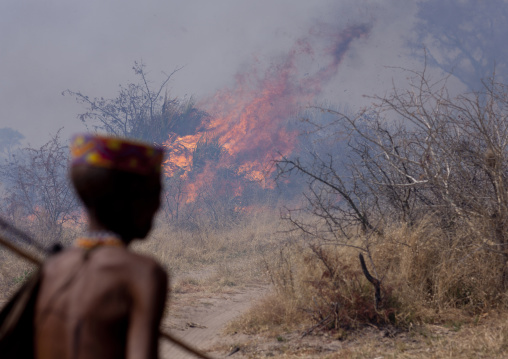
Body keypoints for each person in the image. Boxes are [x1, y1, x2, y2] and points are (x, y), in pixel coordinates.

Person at [34, 134, 168, 359]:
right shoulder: (141, 273)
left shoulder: (52, 268)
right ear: (129, 200)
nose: (159, 205)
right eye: (155, 193)